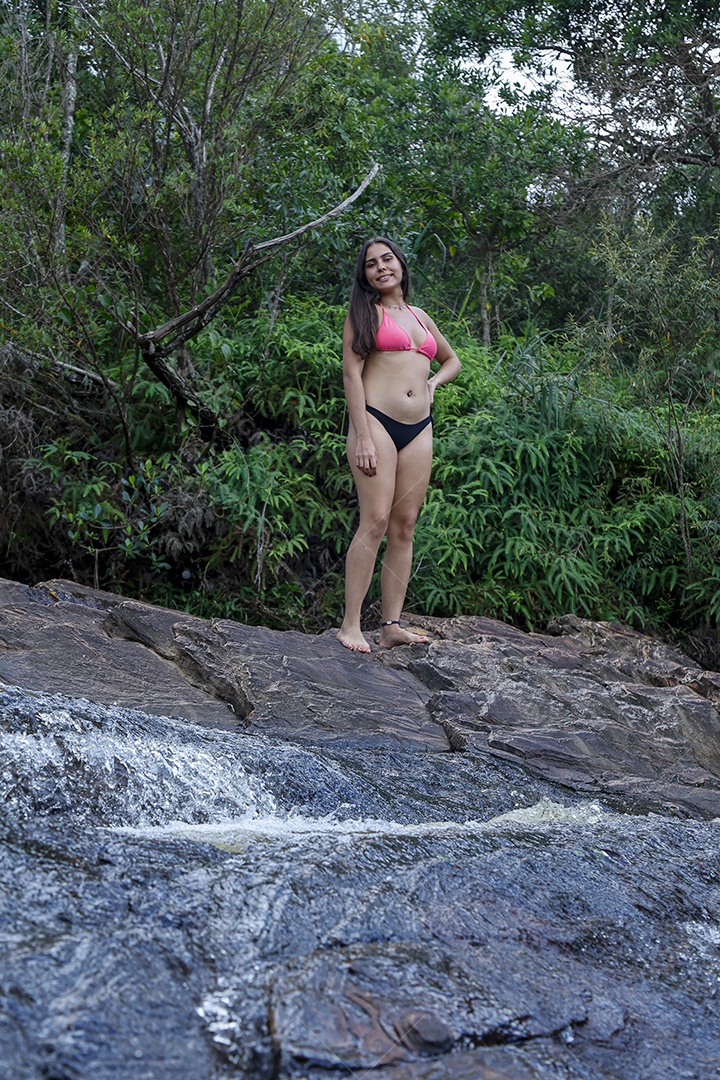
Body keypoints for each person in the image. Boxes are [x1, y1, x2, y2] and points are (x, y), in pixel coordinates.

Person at [336, 237, 461, 653]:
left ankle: (391, 626)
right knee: (374, 521)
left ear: (401, 264)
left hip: (419, 428)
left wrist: (433, 383)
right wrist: (362, 436)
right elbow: (351, 375)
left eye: (387, 259)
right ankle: (351, 625)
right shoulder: (363, 315)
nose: (381, 268)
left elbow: (452, 360)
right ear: (365, 275)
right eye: (371, 264)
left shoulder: (420, 316)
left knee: (404, 526)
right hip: (376, 423)